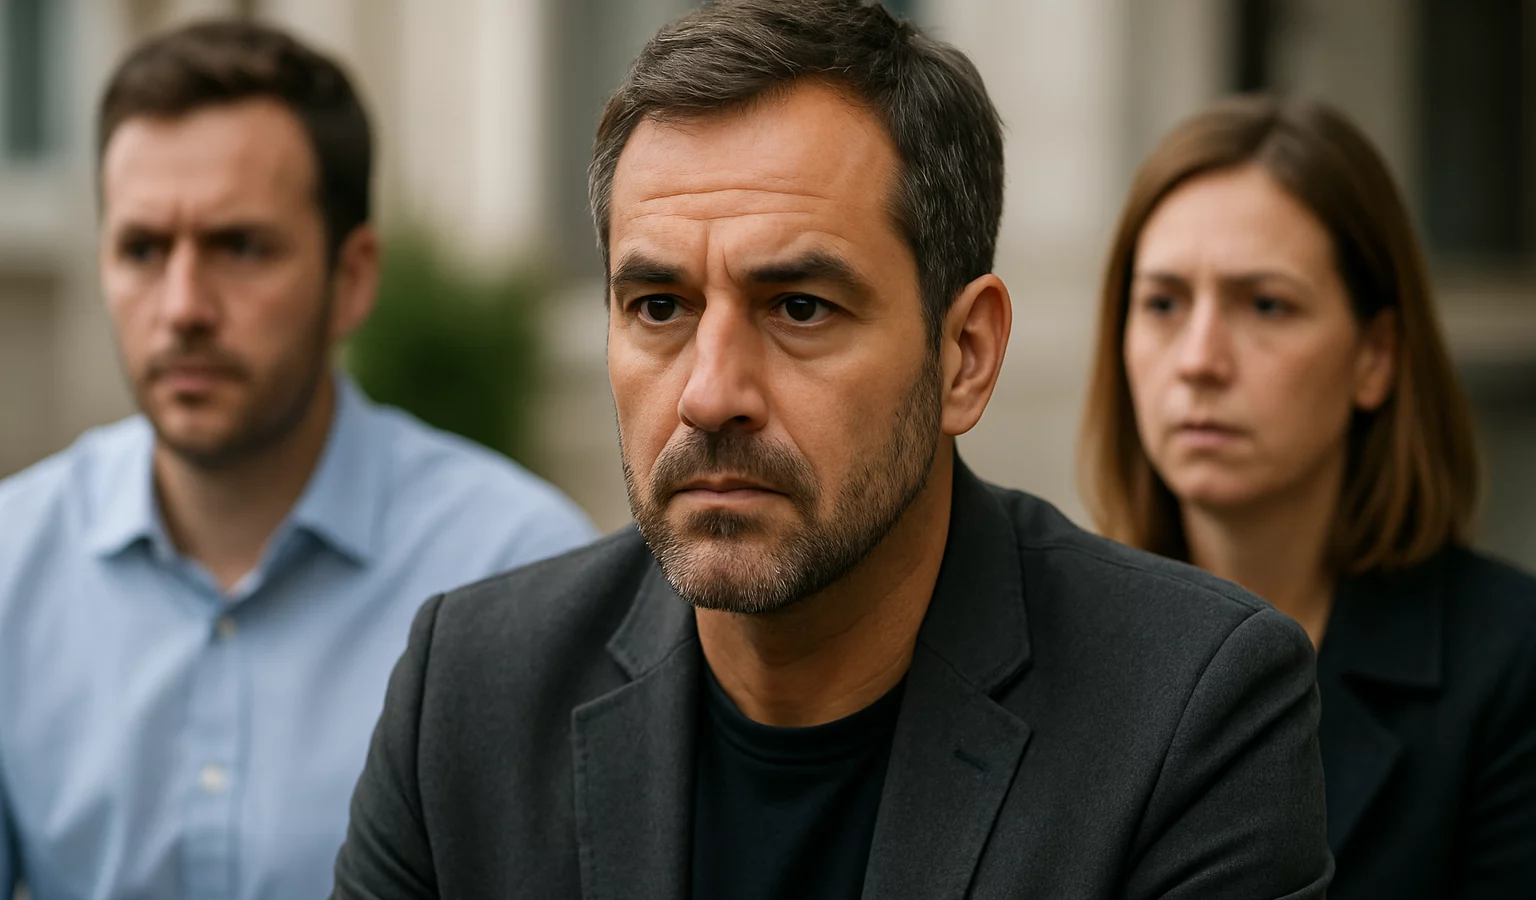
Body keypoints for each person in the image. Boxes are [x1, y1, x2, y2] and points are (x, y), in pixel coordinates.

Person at [333, 3, 1331, 897]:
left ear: (965, 355)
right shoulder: (471, 693)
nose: (710, 394)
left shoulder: (1188, 709)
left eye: (800, 308)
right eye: (659, 306)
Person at [0, 20, 596, 900]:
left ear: (351, 279)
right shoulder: (13, 567)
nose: (182, 306)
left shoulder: (518, 570)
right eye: (142, 249)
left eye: (240, 247)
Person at [1080, 94, 1536, 899]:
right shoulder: (1054, 650)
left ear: (1375, 357)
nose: (1199, 359)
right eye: (1163, 303)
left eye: (1266, 304)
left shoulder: (1510, 666)